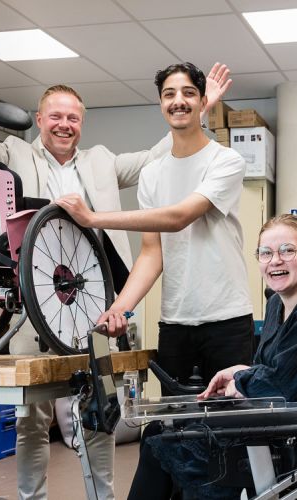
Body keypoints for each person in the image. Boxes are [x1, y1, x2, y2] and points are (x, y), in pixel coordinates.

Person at [0, 15, 231, 500]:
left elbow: (163, 152)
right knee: (31, 420)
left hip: (93, 309)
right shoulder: (13, 157)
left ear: (81, 124)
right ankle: (32, 497)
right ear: (40, 120)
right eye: (55, 116)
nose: (65, 124)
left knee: (99, 417)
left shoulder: (102, 160)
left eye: (73, 118)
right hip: (32, 311)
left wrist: (199, 107)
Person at [56, 62, 255, 394]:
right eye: (169, 94)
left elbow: (179, 217)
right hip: (175, 324)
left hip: (228, 321)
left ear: (203, 102)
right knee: (175, 430)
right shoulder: (152, 174)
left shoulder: (226, 161)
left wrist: (93, 218)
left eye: (189, 93)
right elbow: (152, 253)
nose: (179, 100)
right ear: (161, 104)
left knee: (229, 429)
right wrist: (120, 307)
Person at [128, 214, 297, 499]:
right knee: (159, 429)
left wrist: (241, 380)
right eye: (266, 253)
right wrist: (239, 372)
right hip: (273, 419)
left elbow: (284, 386)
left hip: (291, 435)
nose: (275, 260)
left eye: (287, 250)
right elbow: (275, 367)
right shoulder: (277, 305)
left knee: (163, 436)